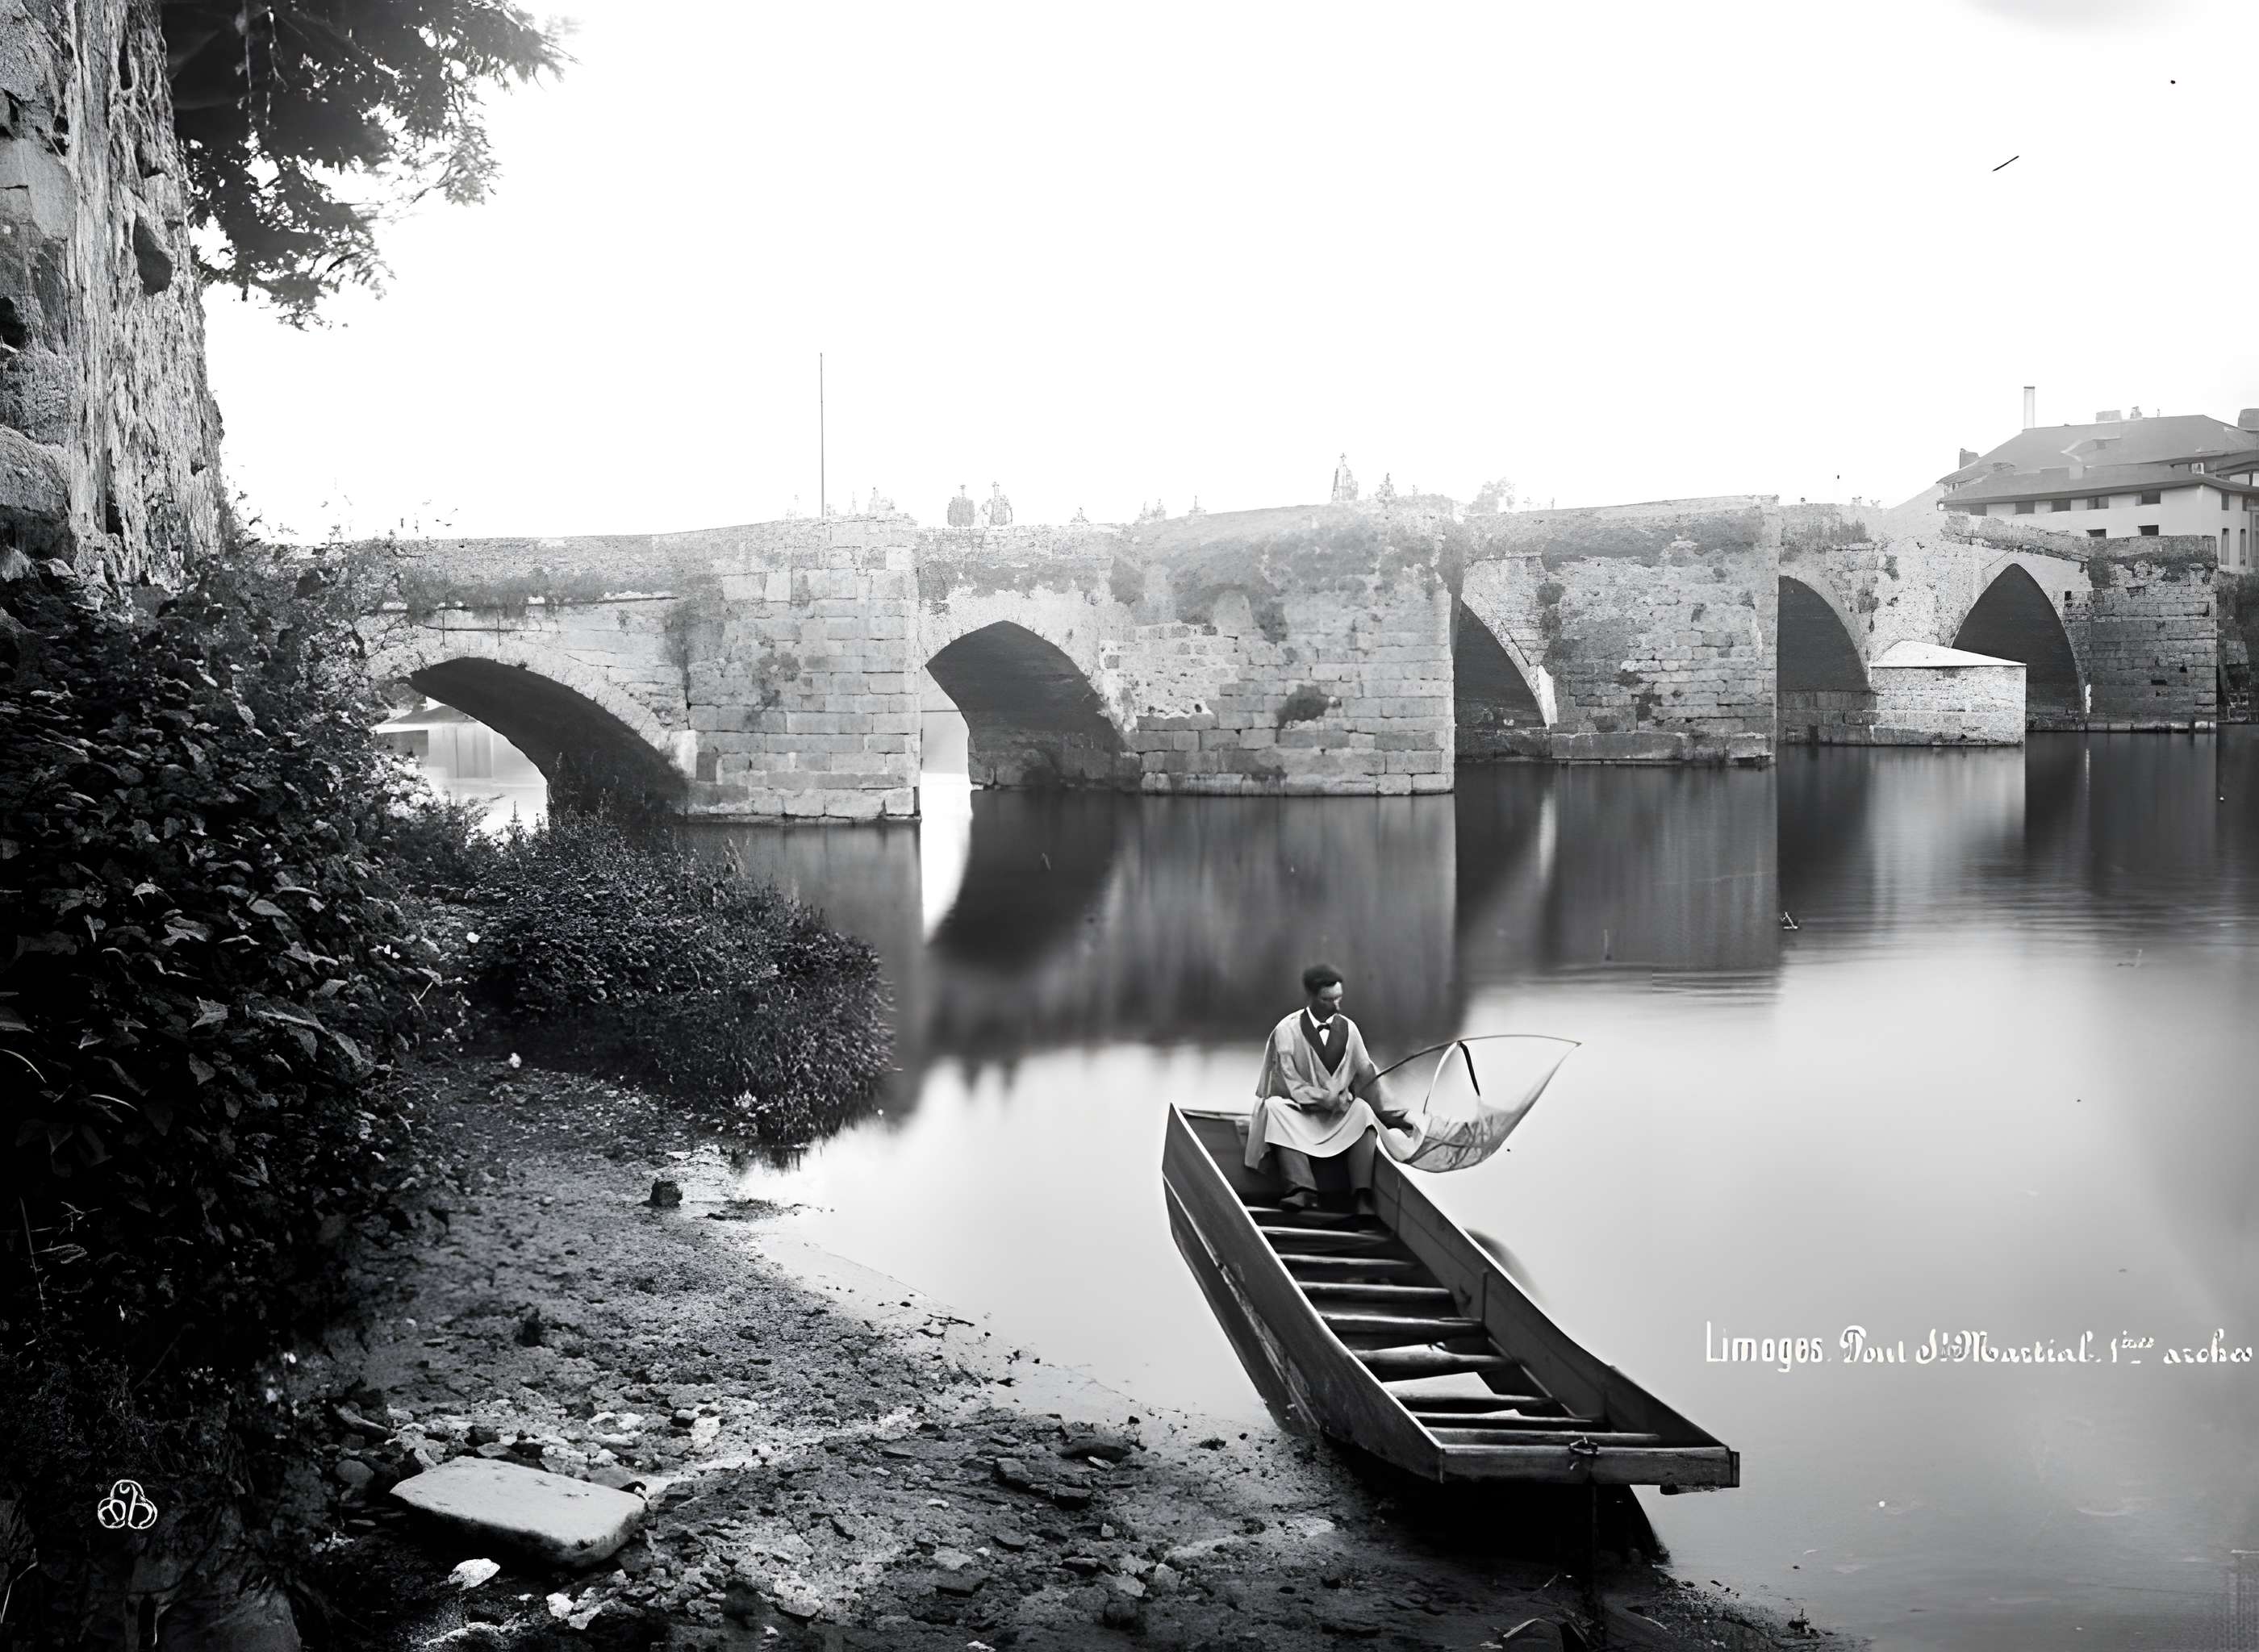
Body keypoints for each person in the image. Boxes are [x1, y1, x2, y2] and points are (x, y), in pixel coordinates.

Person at [1246, 964, 1414, 1215]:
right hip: (1301, 1114)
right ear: (1311, 997)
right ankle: (1302, 1189)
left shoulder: (1350, 1030)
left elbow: (1368, 1076)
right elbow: (1289, 1082)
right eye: (1327, 1000)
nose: (1336, 1006)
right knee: (1273, 1108)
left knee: (1363, 1110)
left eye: (1339, 999)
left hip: (1338, 1117)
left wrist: (1400, 1118)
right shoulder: (1286, 1031)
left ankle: (1362, 1196)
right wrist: (1322, 1098)